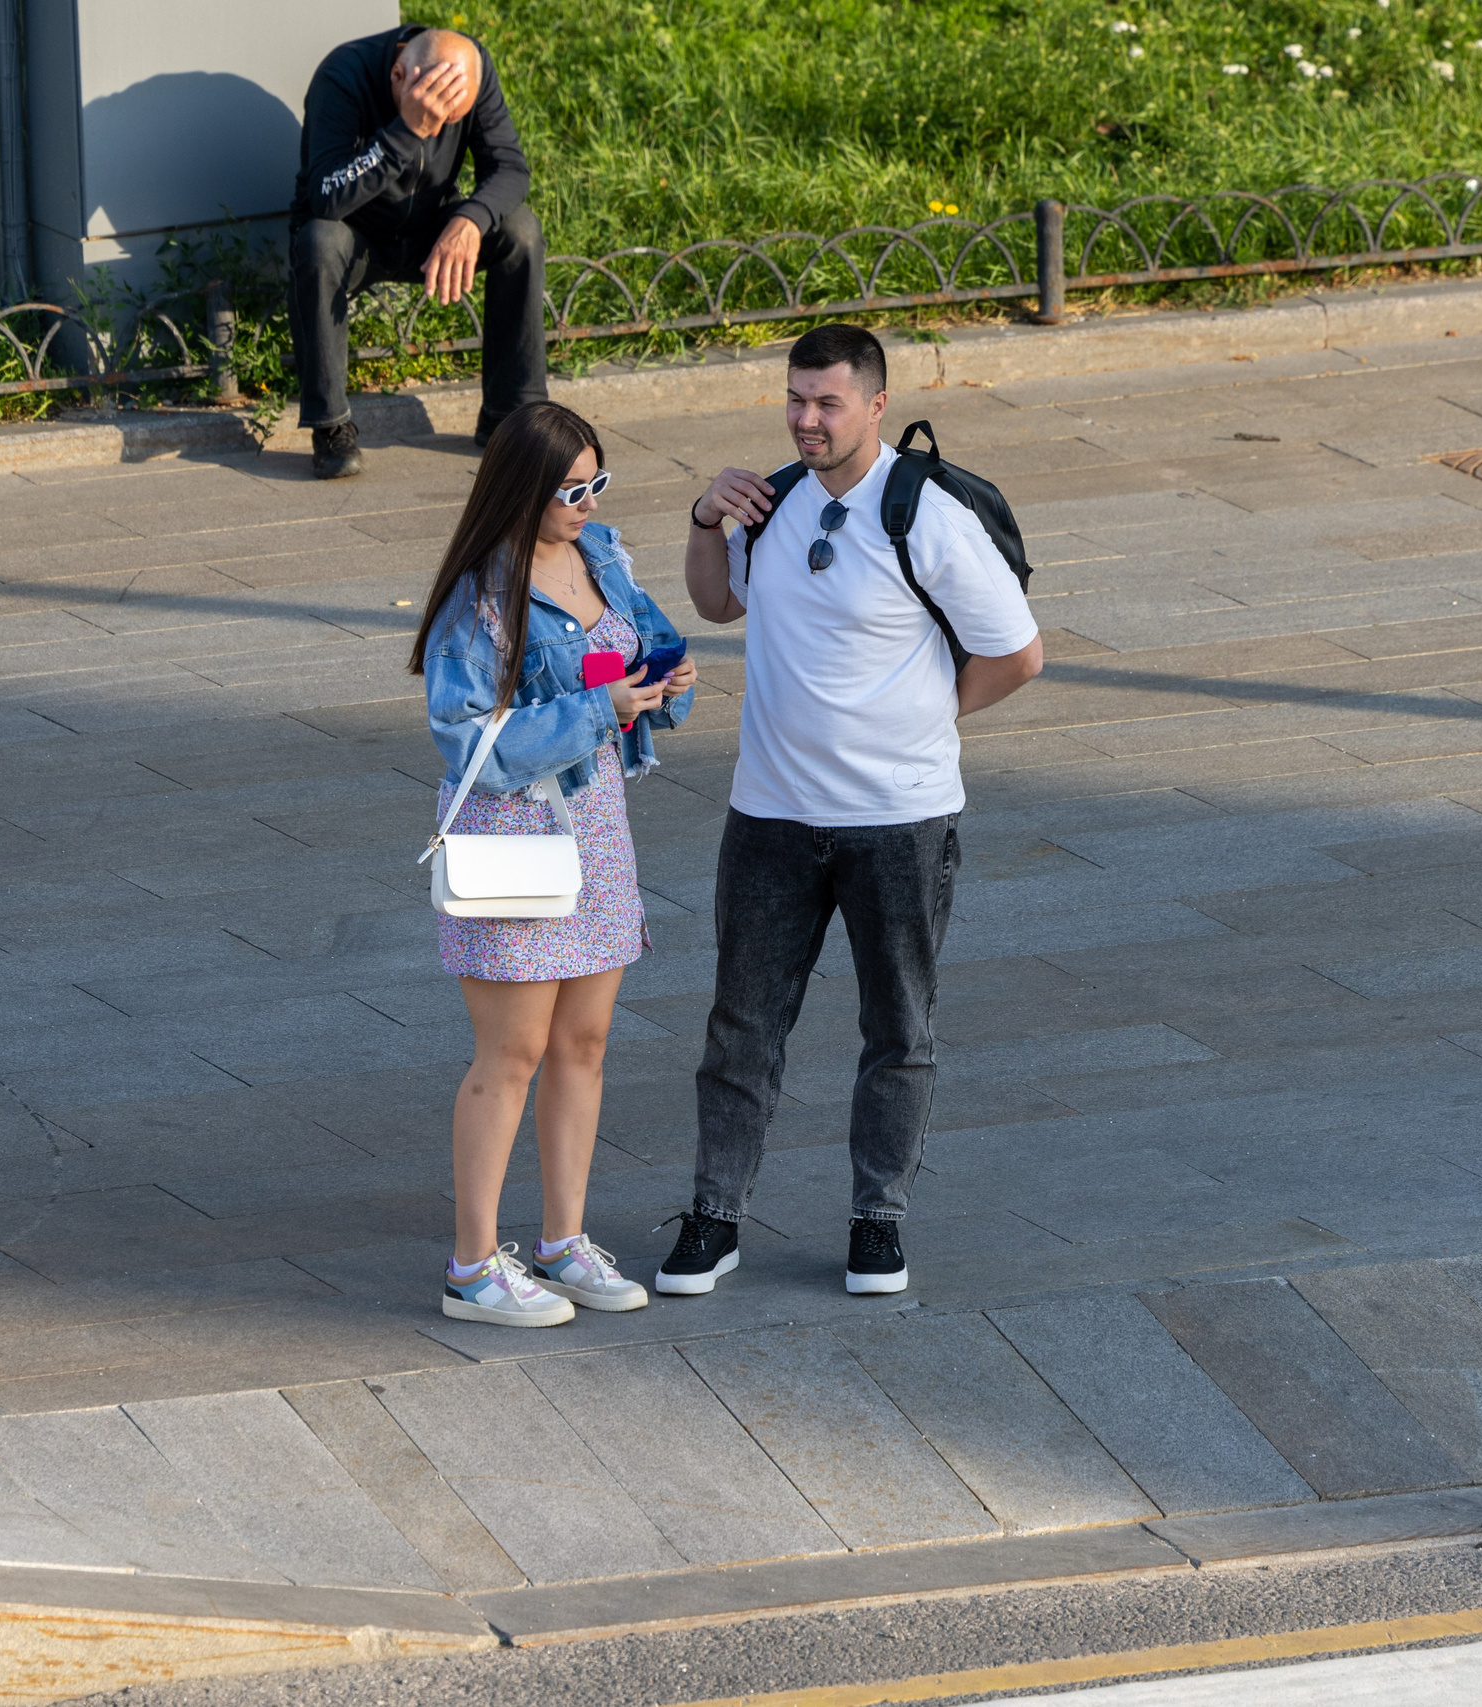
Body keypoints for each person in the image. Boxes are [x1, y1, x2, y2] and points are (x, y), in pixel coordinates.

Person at [659, 324, 1043, 1298]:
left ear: (875, 406)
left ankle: (879, 1219)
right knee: (740, 1027)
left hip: (899, 820)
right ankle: (714, 1216)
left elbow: (1018, 654)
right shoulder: (772, 504)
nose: (806, 420)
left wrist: (925, 719)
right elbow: (715, 605)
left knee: (897, 1029)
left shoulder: (926, 516)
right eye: (795, 400)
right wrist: (705, 520)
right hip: (770, 814)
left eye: (827, 403)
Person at [411, 400, 696, 1326]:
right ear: (522, 489)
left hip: (597, 823)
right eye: (571, 489)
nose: (588, 502)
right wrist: (599, 710)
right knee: (514, 1051)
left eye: (596, 482)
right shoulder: (480, 597)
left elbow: (636, 654)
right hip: (515, 834)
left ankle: (563, 1243)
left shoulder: (602, 555)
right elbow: (466, 741)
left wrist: (663, 685)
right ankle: (471, 1267)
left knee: (584, 1042)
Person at [291, 24, 549, 480]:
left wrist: (471, 219)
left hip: (433, 228)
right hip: (358, 235)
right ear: (398, 76)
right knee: (319, 240)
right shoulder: (342, 76)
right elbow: (326, 196)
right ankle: (330, 427)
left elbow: (509, 167)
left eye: (454, 118)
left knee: (521, 231)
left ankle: (509, 417)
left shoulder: (471, 68)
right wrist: (406, 132)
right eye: (436, 116)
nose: (443, 129)